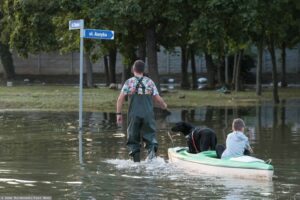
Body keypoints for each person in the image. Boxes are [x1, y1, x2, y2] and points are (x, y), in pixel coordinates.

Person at [116, 60, 167, 162]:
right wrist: (164, 106)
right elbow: (157, 98)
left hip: (134, 115)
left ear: (133, 69)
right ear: (143, 70)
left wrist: (118, 113)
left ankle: (136, 163)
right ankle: (151, 156)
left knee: (133, 139)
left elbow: (120, 99)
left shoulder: (129, 82)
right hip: (148, 115)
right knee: (150, 137)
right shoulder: (149, 82)